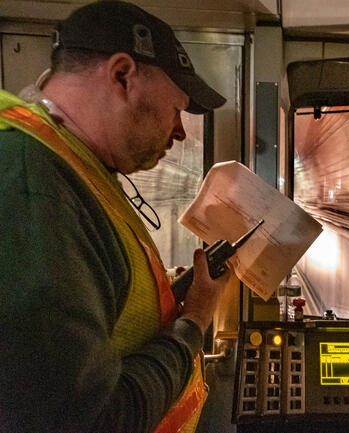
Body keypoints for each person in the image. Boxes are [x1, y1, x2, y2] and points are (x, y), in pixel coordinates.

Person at [0, 1, 232, 432]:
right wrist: (194, 321)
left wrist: (169, 299)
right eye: (177, 108)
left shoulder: (73, 166)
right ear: (123, 76)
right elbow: (90, 421)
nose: (180, 131)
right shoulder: (35, 185)